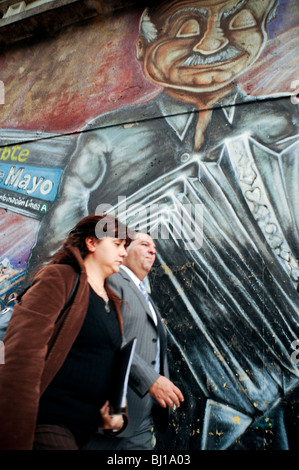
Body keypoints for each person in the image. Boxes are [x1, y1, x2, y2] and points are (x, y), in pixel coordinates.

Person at [26, 0, 298, 449]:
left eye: (240, 24)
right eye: (187, 27)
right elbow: (57, 255)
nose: (212, 43)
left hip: (268, 372)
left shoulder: (284, 126)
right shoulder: (110, 135)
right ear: (147, 39)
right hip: (139, 366)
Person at [0, 214, 131, 450]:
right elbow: (20, 355)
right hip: (47, 424)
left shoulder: (113, 301)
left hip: (84, 432)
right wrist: (15, 436)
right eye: (117, 244)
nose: (124, 253)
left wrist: (116, 412)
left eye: (125, 246)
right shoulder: (60, 278)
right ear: (92, 243)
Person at [87, 231, 184, 450]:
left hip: (142, 416)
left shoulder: (145, 296)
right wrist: (151, 380)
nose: (152, 250)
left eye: (154, 248)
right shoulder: (112, 280)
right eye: (144, 244)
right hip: (110, 415)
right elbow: (110, 337)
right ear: (124, 251)